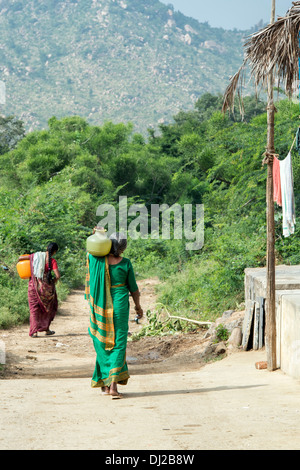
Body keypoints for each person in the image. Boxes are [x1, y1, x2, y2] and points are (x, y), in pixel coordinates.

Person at [85, 232, 143, 399]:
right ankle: (113, 387)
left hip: (100, 307)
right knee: (118, 343)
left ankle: (104, 383)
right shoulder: (125, 263)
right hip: (119, 306)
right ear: (123, 247)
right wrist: (138, 307)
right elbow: (134, 290)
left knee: (102, 342)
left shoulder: (96, 261)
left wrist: (97, 236)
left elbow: (89, 251)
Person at [18, 242, 60, 337]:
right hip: (47, 288)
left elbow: (20, 258)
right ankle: (47, 329)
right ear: (54, 252)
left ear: (46, 248)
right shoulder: (52, 261)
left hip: (34, 286)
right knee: (47, 308)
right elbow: (57, 275)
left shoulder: (36, 256)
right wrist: (53, 281)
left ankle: (34, 332)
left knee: (34, 309)